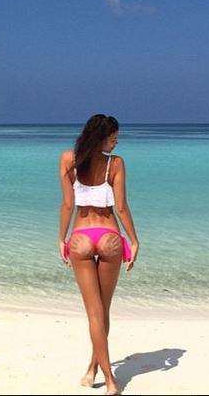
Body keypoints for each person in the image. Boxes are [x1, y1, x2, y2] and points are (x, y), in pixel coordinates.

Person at [59, 114, 139, 395]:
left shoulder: (67, 159)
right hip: (109, 238)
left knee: (95, 313)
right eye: (113, 139)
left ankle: (96, 371)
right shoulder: (115, 164)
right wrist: (134, 240)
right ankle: (107, 378)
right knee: (102, 311)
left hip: (80, 237)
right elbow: (121, 208)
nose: (116, 144)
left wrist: (61, 238)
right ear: (100, 138)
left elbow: (67, 206)